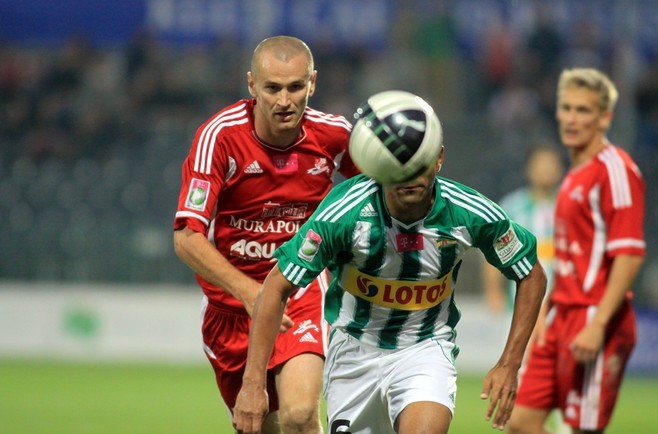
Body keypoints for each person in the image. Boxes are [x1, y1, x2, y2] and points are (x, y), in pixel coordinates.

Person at [233, 103, 547, 434]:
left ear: (439, 159)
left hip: (425, 347)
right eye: (398, 163)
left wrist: (510, 364)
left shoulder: (469, 212)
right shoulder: (345, 212)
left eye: (420, 161)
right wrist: (253, 383)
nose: (409, 173)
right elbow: (276, 286)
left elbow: (531, 273)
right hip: (354, 351)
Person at [173, 36, 359, 434]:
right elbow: (187, 236)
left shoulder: (336, 136)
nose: (284, 100)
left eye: (295, 87)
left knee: (299, 414)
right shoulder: (219, 137)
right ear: (252, 85)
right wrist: (248, 292)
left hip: (300, 293)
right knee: (266, 426)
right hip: (232, 312)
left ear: (313, 83)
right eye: (272, 88)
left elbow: (378, 197)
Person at [507, 68, 646, 434]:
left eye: (583, 110)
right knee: (520, 422)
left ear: (605, 117)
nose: (571, 118)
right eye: (566, 108)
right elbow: (574, 257)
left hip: (593, 316)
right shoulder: (572, 176)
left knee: (581, 429)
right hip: (561, 316)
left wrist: (599, 323)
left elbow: (629, 254)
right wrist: (547, 311)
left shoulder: (615, 170)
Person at [482, 143, 564, 314]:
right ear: (529, 169)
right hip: (519, 306)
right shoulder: (512, 207)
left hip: (562, 310)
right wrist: (494, 291)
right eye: (541, 164)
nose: (546, 169)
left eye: (551, 164)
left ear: (560, 169)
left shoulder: (568, 207)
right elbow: (493, 251)